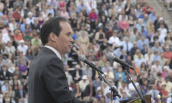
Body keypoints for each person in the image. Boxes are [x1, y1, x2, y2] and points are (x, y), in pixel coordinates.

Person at [28, 17, 85, 103]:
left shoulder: (39, 59)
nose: (72, 40)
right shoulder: (52, 60)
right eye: (68, 35)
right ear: (53, 36)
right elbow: (64, 98)